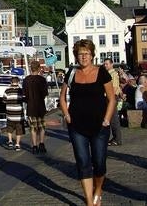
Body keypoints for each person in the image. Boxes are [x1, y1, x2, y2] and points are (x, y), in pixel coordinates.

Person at [59, 39, 116, 206]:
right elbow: (62, 98)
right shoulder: (71, 73)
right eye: (80, 54)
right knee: (83, 162)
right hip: (77, 127)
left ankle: (98, 189)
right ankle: (89, 201)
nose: (83, 57)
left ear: (92, 55)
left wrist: (107, 119)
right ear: (76, 56)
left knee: (99, 163)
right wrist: (67, 115)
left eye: (86, 54)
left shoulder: (102, 72)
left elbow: (112, 99)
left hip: (100, 126)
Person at [23, 60, 49, 154]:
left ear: (30, 68)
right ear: (39, 69)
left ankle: (34, 146)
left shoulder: (26, 80)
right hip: (40, 106)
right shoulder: (42, 80)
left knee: (33, 128)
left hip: (31, 107)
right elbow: (45, 94)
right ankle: (41, 144)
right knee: (41, 126)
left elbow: (24, 94)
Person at [103, 58, 122, 146]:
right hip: (110, 97)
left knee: (113, 118)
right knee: (111, 118)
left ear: (111, 64)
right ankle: (115, 138)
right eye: (105, 64)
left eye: (107, 64)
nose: (105, 65)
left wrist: (109, 97)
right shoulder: (107, 74)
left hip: (112, 97)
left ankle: (117, 139)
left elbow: (114, 88)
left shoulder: (113, 74)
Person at [3, 76, 25, 151]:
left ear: (11, 82)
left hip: (10, 114)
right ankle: (17, 144)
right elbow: (24, 99)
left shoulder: (7, 91)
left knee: (10, 128)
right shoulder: (21, 91)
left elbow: (4, 100)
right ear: (18, 82)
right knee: (19, 129)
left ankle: (10, 141)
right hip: (19, 114)